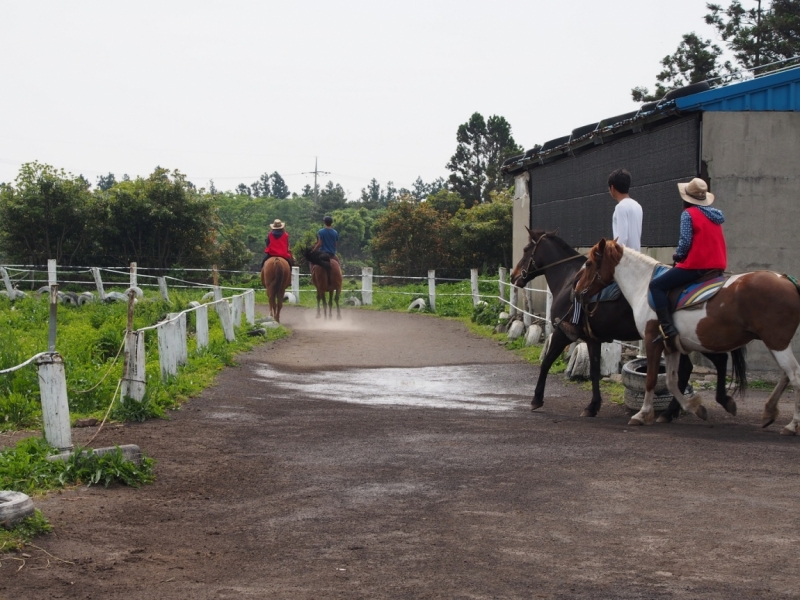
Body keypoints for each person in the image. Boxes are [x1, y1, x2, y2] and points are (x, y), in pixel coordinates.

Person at [562, 169, 642, 340]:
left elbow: (621, 241)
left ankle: (576, 323)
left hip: (620, 261)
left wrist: (604, 251)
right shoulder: (637, 205)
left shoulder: (620, 207)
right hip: (636, 259)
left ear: (612, 188)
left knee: (580, 282)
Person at [649, 177, 726, 348]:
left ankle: (667, 329)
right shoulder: (716, 216)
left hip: (697, 266)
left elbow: (685, 243)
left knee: (656, 286)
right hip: (717, 265)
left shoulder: (688, 214)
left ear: (687, 198)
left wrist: (678, 256)